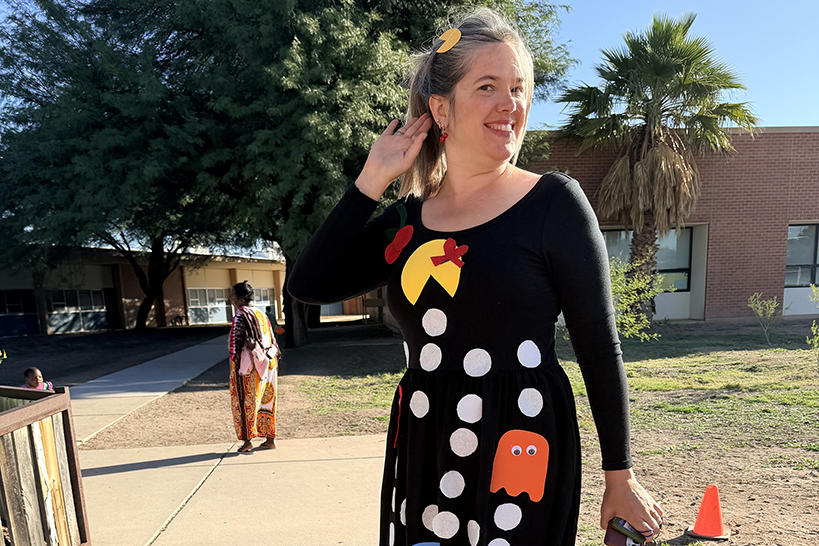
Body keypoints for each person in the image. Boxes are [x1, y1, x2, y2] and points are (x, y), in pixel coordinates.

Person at [288, 8, 662, 545]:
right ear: (441, 108)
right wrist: (371, 180)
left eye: (518, 88)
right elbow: (309, 284)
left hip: (522, 442)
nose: (510, 103)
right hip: (426, 440)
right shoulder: (407, 222)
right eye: (487, 86)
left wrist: (619, 477)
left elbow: (599, 347)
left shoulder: (553, 203)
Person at [228, 280, 280, 452]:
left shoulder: (241, 315)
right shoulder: (261, 313)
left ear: (241, 299)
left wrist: (235, 367)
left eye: (232, 296)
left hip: (250, 368)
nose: (231, 299)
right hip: (269, 363)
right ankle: (270, 439)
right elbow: (272, 338)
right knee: (267, 401)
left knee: (246, 402)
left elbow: (235, 345)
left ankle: (247, 441)